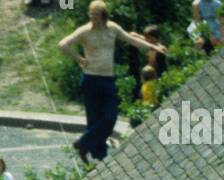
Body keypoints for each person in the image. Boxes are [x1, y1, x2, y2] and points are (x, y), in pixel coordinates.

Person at [58, 1, 166, 163]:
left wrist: (153, 47)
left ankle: (83, 144)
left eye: (96, 14)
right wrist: (79, 59)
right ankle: (98, 155)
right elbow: (63, 44)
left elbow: (131, 39)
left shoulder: (112, 28)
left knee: (110, 117)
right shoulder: (85, 31)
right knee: (94, 119)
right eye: (91, 14)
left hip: (107, 78)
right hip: (91, 78)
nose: (93, 17)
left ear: (104, 15)